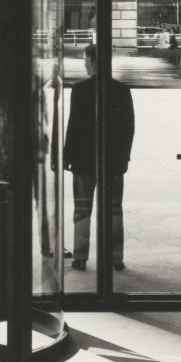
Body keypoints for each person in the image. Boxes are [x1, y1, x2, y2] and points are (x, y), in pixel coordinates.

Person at [62, 42, 134, 272]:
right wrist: (124, 159)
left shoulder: (80, 89)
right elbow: (128, 128)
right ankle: (115, 257)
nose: (84, 63)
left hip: (84, 162)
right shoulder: (121, 90)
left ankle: (81, 257)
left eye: (85, 59)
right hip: (113, 162)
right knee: (114, 210)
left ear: (93, 61)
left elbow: (73, 127)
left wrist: (67, 156)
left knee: (82, 210)